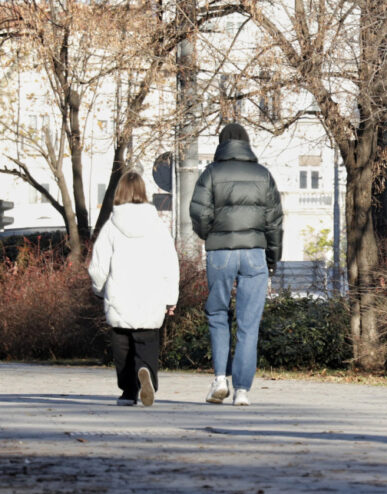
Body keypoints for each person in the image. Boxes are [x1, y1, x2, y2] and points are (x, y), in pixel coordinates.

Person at [190, 123, 283, 406]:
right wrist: (272, 259)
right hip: (255, 251)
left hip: (221, 252)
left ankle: (220, 379)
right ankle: (242, 390)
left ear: (222, 143)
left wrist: (211, 235)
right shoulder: (263, 175)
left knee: (218, 314)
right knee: (248, 323)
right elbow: (274, 221)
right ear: (247, 143)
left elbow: (198, 211)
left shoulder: (210, 174)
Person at [88, 171, 179, 407]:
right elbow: (169, 262)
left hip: (120, 296)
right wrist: (171, 297)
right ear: (143, 193)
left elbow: (99, 265)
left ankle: (129, 392)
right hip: (151, 297)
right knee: (146, 342)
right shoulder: (157, 225)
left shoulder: (111, 226)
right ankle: (146, 373)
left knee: (122, 347)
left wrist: (100, 289)